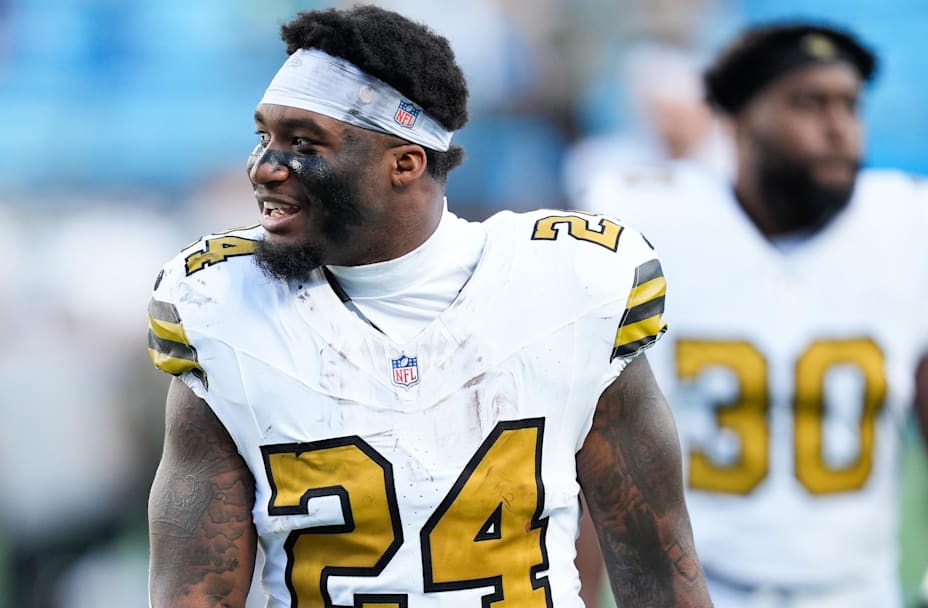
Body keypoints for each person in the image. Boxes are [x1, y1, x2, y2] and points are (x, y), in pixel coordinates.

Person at [145, 6, 711, 608]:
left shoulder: (572, 285)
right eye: (265, 137)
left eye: (303, 143)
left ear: (405, 163)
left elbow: (657, 566)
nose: (264, 168)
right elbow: (196, 590)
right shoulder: (222, 305)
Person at [583, 22, 928, 607]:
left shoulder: (904, 222)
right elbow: (590, 435)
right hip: (703, 588)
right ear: (739, 120)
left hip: (856, 592)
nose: (837, 127)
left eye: (849, 105)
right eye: (808, 103)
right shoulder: (650, 218)